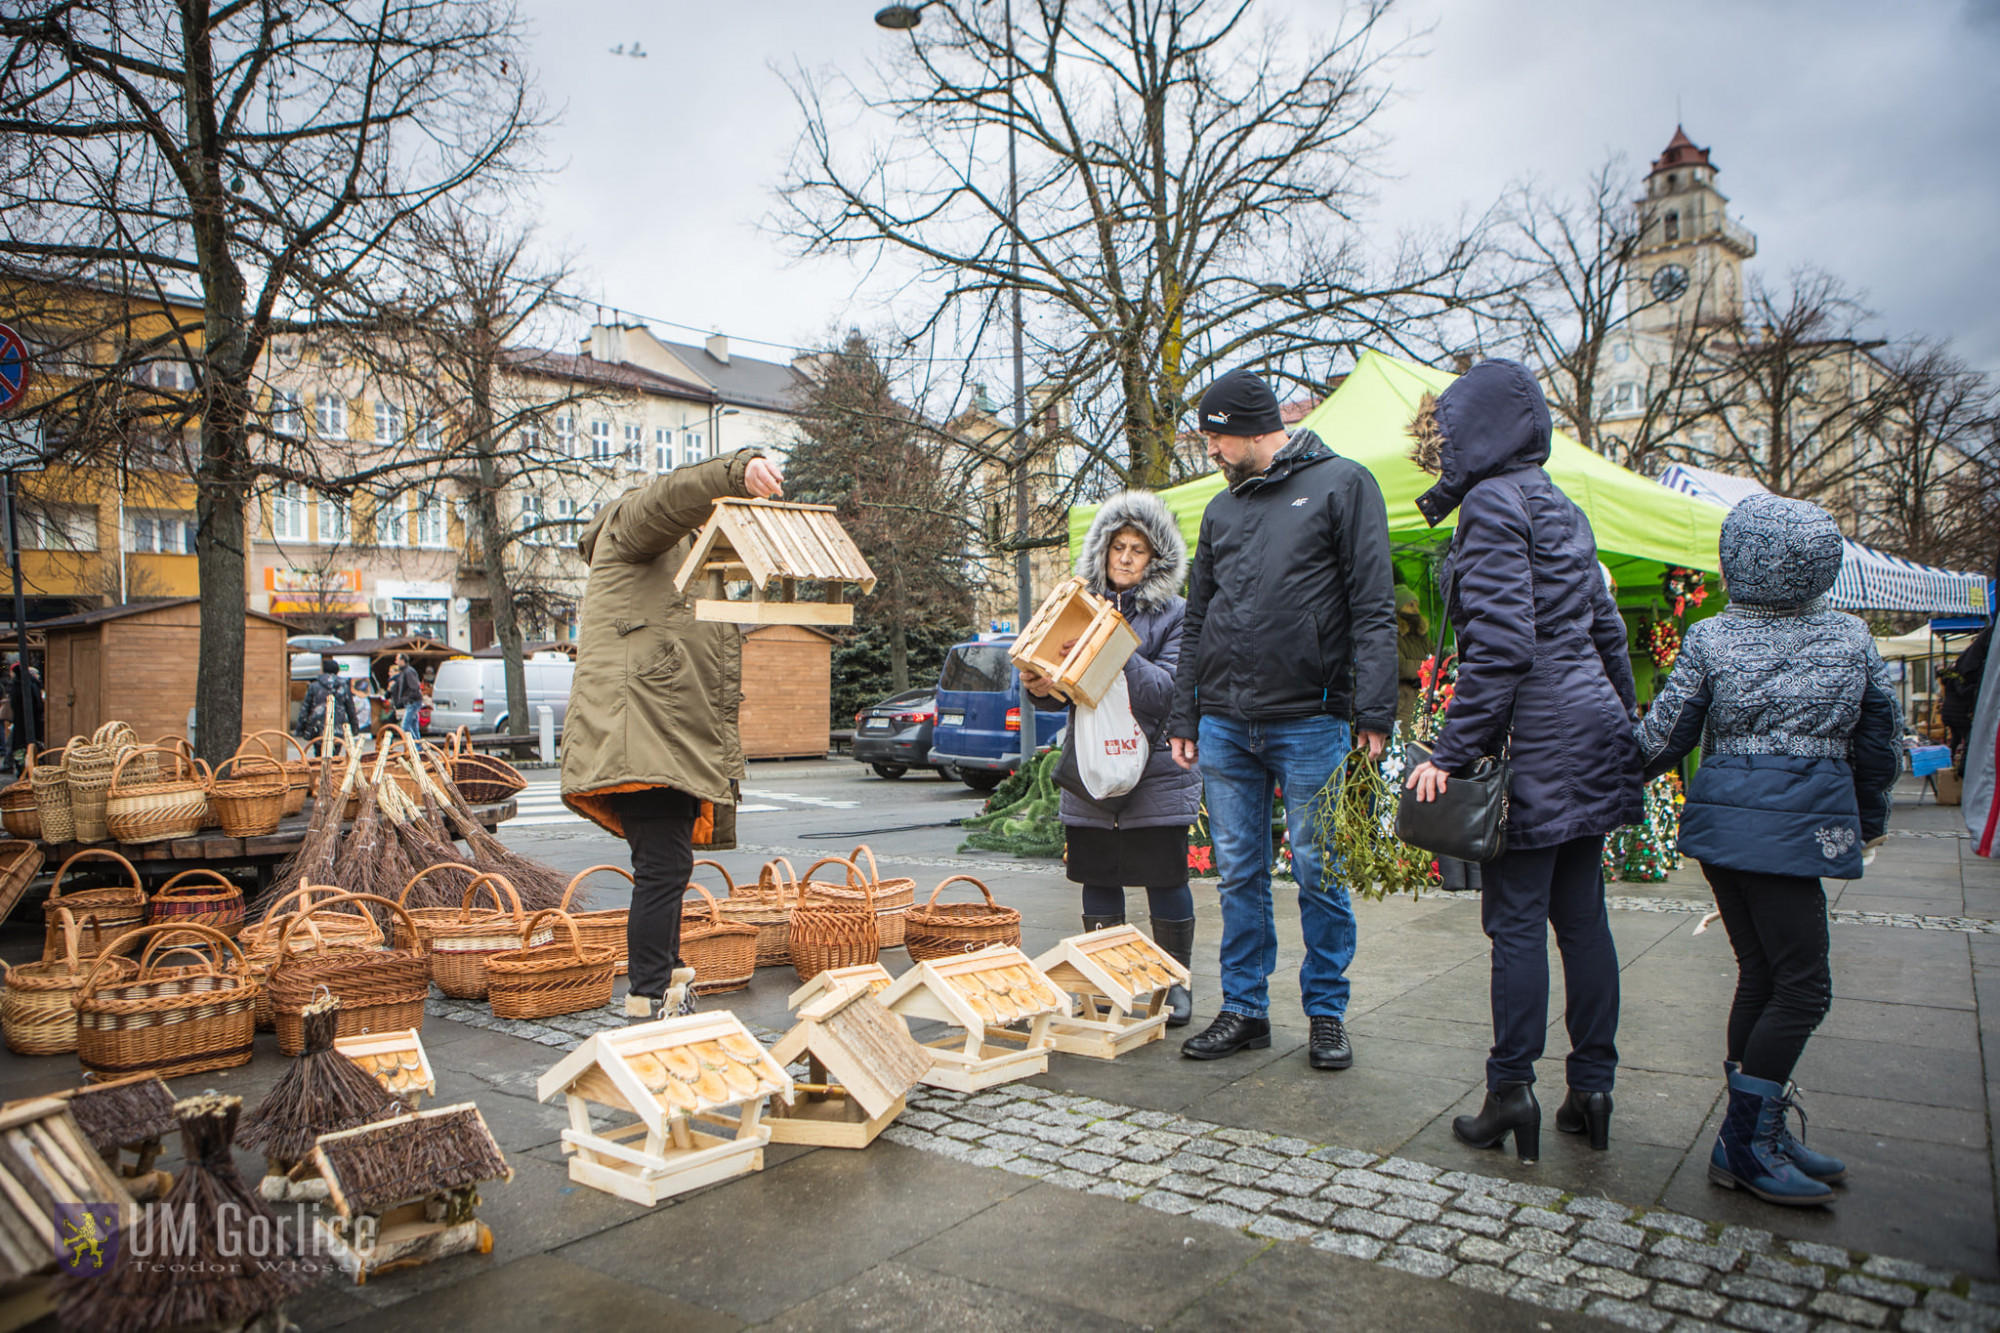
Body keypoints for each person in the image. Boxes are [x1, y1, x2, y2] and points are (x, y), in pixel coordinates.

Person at [1402, 359, 1643, 1163]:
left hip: (1537, 738)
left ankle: (1511, 1093)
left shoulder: (1494, 505)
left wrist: (1450, 751)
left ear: (1483, 431)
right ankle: (1593, 1088)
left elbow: (1501, 649)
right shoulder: (1561, 504)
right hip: (1589, 727)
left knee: (1515, 926)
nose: (1444, 445)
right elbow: (1606, 630)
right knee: (1583, 921)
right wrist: (1622, 724)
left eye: (1452, 430)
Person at [1637, 493, 1901, 1207]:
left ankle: (1753, 1133)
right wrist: (1867, 816)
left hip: (1726, 828)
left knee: (1762, 972)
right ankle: (1748, 1142)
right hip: (1798, 824)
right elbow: (1882, 740)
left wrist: (1608, 779)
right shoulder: (1849, 637)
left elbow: (1662, 739)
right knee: (1804, 985)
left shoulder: (1710, 637)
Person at [1166, 367, 1398, 1069]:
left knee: (1321, 870)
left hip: (1311, 719)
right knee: (1238, 871)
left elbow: (1372, 607)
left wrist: (1374, 708)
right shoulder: (1221, 510)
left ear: (1251, 426)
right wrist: (1186, 711)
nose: (1208, 450)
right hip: (1227, 724)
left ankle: (1326, 1012)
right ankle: (1244, 1009)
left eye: (1214, 436)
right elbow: (1197, 619)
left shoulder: (1343, 484)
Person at [562, 447, 786, 1020]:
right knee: (661, 867)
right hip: (643, 729)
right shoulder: (629, 524)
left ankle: (662, 977)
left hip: (668, 731)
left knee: (669, 864)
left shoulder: (688, 555)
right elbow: (672, 497)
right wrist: (738, 471)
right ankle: (649, 995)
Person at [1021, 492, 1202, 1025]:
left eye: (1137, 550)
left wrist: (1112, 648)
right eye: (1117, 547)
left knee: (1165, 880)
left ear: (1156, 560)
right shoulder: (1076, 606)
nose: (1124, 558)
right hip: (1091, 769)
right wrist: (1038, 683)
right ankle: (1105, 984)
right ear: (1102, 552)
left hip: (1157, 772)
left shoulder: (1178, 615)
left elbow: (1167, 693)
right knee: (1098, 879)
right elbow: (1055, 691)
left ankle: (1174, 986)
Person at [296, 655, 359, 744]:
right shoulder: (344, 687)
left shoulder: (314, 686)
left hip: (317, 728)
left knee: (318, 755)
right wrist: (355, 729)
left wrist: (300, 730)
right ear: (337, 671)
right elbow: (350, 709)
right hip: (337, 728)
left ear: (323, 670)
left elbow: (305, 709)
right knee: (336, 756)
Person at [1394, 584, 1430, 733]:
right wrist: (1428, 667)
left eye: (1417, 604)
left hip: (1423, 701)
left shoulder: (1422, 636)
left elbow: (1437, 660)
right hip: (1401, 705)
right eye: (1410, 604)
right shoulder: (1392, 634)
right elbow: (1400, 666)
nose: (1415, 608)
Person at [387, 653, 423, 737]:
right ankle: (418, 747)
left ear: (402, 661)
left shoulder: (408, 671)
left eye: (397, 660)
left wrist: (407, 699)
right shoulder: (404, 672)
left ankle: (414, 745)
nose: (396, 662)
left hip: (412, 702)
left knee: (405, 726)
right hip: (411, 701)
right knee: (413, 726)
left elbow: (414, 687)